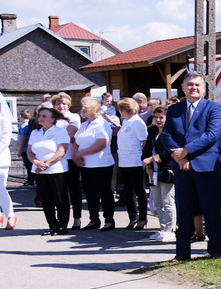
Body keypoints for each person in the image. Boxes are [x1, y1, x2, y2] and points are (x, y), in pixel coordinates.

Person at [162, 72, 221, 260]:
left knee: (211, 210)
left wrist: (186, 150)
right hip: (182, 167)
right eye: (189, 84)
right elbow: (166, 135)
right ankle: (182, 253)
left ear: (204, 88)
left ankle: (215, 250)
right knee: (184, 210)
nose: (193, 88)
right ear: (183, 88)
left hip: (207, 167)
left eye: (197, 85)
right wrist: (180, 158)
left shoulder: (213, 108)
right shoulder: (174, 110)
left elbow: (211, 135)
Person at [72, 97, 117, 230]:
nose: (83, 109)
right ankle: (94, 220)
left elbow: (101, 144)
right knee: (90, 193)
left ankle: (109, 220)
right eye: (82, 106)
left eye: (85, 107)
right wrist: (76, 156)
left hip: (101, 164)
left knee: (104, 193)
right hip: (86, 165)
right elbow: (76, 141)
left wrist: (81, 153)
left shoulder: (101, 124)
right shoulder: (84, 125)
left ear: (94, 109)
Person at [26, 107, 72, 235]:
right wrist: (37, 163)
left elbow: (62, 151)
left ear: (52, 119)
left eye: (44, 116)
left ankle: (62, 226)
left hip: (57, 170)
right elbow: (29, 151)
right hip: (40, 171)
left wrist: (47, 164)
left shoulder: (60, 131)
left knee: (60, 199)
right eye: (40, 115)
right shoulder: (35, 133)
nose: (40, 118)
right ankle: (52, 226)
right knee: (46, 200)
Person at [142, 105, 176, 242]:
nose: (158, 120)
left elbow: (168, 153)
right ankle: (162, 228)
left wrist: (152, 159)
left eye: (161, 117)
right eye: (156, 117)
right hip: (153, 172)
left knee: (168, 201)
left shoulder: (171, 132)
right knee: (157, 202)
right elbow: (146, 150)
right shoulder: (152, 131)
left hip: (166, 170)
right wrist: (148, 166)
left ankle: (170, 229)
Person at [50, 93, 83, 229]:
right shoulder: (52, 118)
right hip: (56, 159)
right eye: (58, 104)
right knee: (60, 191)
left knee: (74, 189)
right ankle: (62, 220)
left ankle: (77, 218)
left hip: (70, 158)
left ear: (68, 105)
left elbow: (70, 135)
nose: (61, 106)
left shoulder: (73, 117)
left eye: (63, 103)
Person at [115, 98, 148, 229]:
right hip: (124, 161)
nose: (119, 111)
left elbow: (144, 141)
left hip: (135, 161)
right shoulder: (125, 122)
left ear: (126, 109)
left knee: (139, 190)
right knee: (128, 191)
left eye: (121, 109)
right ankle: (132, 217)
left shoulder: (137, 122)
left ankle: (143, 218)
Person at [0, 92, 13, 230]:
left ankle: (10, 215)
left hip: (1, 159)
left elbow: (5, 141)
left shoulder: (5, 121)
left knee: (1, 188)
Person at [17, 109, 36, 186]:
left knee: (28, 165)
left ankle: (33, 181)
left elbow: (23, 138)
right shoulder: (30, 123)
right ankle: (30, 180)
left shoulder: (24, 125)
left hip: (25, 148)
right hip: (29, 147)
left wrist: (19, 149)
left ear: (21, 116)